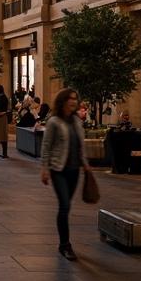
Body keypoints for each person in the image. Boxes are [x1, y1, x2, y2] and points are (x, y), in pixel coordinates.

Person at [39, 87, 92, 262]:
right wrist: (45, 168)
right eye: (70, 98)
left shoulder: (77, 121)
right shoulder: (54, 122)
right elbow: (46, 146)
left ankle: (64, 242)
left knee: (67, 204)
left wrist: (84, 162)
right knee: (64, 206)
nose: (74, 101)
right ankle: (65, 245)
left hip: (74, 169)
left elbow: (79, 144)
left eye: (76, 98)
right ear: (63, 101)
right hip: (58, 169)